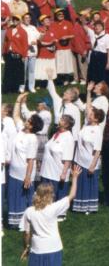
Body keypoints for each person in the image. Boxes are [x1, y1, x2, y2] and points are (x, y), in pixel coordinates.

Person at [20, 165, 81, 266]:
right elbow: (72, 195)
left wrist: (26, 247)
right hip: (54, 248)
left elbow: (26, 234)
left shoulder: (29, 212)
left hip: (37, 249)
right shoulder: (54, 208)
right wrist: (74, 178)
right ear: (50, 195)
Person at [7, 95, 43, 228]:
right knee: (13, 196)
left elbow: (31, 160)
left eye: (29, 121)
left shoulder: (32, 139)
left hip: (24, 174)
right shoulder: (21, 130)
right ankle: (14, 222)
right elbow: (16, 116)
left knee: (24, 199)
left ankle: (26, 223)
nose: (26, 121)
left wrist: (28, 177)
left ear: (33, 126)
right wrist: (18, 100)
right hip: (13, 172)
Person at [74, 107, 104, 214]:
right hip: (79, 160)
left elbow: (98, 150)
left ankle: (89, 207)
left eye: (91, 115)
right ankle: (79, 205)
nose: (89, 115)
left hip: (90, 162)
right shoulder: (86, 126)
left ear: (96, 119)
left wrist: (93, 165)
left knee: (89, 184)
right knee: (80, 183)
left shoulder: (97, 130)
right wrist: (88, 92)